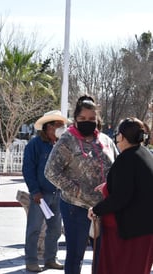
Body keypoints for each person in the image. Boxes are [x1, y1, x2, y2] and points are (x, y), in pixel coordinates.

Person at [44, 95, 118, 274]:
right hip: (76, 208)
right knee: (75, 256)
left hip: (103, 208)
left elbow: (118, 166)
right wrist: (76, 190)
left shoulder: (105, 141)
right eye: (83, 119)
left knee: (102, 256)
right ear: (75, 120)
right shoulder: (67, 141)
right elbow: (50, 171)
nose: (87, 122)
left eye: (92, 119)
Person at [88, 117, 153, 274]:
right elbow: (137, 184)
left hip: (128, 233)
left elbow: (121, 197)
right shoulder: (145, 154)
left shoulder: (126, 158)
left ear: (122, 137)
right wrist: (109, 186)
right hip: (145, 229)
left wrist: (96, 210)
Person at [22, 110, 67, 272]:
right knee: (34, 229)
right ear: (48, 127)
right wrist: (35, 191)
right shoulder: (34, 145)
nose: (62, 128)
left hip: (58, 194)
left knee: (55, 230)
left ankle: (50, 259)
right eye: (59, 125)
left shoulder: (62, 145)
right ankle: (31, 261)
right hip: (40, 195)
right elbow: (28, 170)